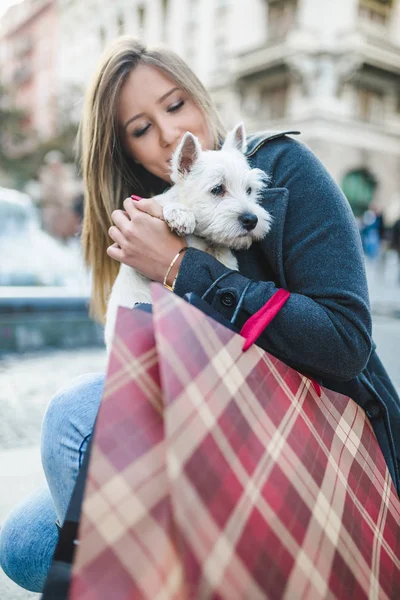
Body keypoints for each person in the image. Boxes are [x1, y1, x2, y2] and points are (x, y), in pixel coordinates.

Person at [1, 35, 399, 593]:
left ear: (201, 98)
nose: (167, 134)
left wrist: (184, 269)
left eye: (175, 105)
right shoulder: (148, 213)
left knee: (73, 415)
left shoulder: (284, 168)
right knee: (23, 543)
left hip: (316, 430)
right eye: (140, 129)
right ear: (126, 151)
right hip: (205, 413)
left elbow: (345, 341)